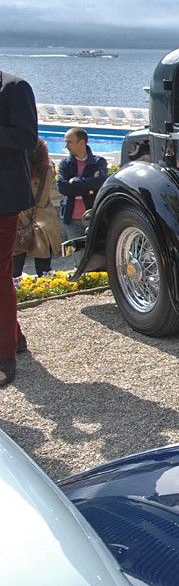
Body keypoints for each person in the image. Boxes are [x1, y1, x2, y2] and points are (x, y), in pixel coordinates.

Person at [0, 70, 39, 387]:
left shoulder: (14, 87)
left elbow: (27, 137)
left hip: (4, 198)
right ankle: (15, 338)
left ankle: (4, 355)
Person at [57, 127, 108, 263]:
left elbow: (101, 182)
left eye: (69, 142)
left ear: (81, 142)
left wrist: (76, 181)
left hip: (91, 216)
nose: (66, 145)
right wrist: (88, 189)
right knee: (78, 259)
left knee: (97, 256)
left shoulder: (98, 162)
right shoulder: (65, 164)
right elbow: (62, 187)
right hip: (71, 217)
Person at [13, 138, 62, 276]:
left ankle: (19, 296)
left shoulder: (19, 170)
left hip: (21, 218)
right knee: (44, 268)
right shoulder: (48, 168)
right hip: (44, 219)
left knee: (15, 267)